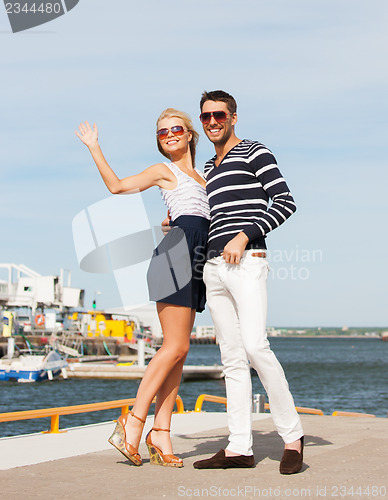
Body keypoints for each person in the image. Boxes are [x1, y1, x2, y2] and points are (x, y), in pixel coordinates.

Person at [75, 108, 210, 467]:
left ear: (190, 134)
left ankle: (162, 434)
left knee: (180, 354)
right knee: (175, 345)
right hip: (176, 255)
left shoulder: (204, 175)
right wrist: (94, 147)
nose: (169, 136)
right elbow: (118, 186)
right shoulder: (163, 171)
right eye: (162, 133)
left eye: (175, 129)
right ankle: (133, 421)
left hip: (196, 261)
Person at [192, 90, 304, 474]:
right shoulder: (207, 168)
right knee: (232, 360)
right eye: (205, 117)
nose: (211, 122)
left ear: (233, 117)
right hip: (213, 268)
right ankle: (239, 447)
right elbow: (213, 217)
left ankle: (293, 436)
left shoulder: (255, 151)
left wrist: (244, 235)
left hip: (248, 260)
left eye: (218, 115)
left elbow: (285, 202)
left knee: (256, 347)